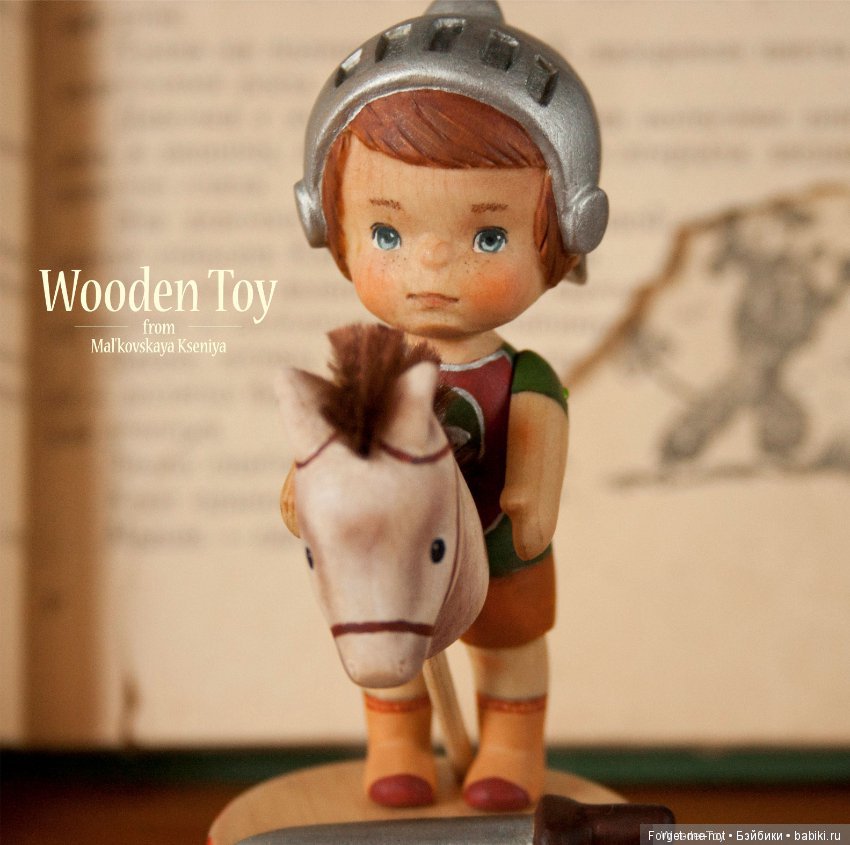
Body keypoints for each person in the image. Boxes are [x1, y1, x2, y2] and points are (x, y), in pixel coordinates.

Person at [284, 0, 608, 812]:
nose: (431, 264)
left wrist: (530, 494)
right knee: (392, 656)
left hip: (498, 549)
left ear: (565, 233)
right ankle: (397, 739)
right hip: (392, 554)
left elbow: (537, 434)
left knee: (509, 651)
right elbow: (330, 440)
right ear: (330, 224)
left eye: (488, 238)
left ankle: (510, 743)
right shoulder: (377, 365)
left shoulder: (522, 374)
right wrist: (302, 483)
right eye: (387, 234)